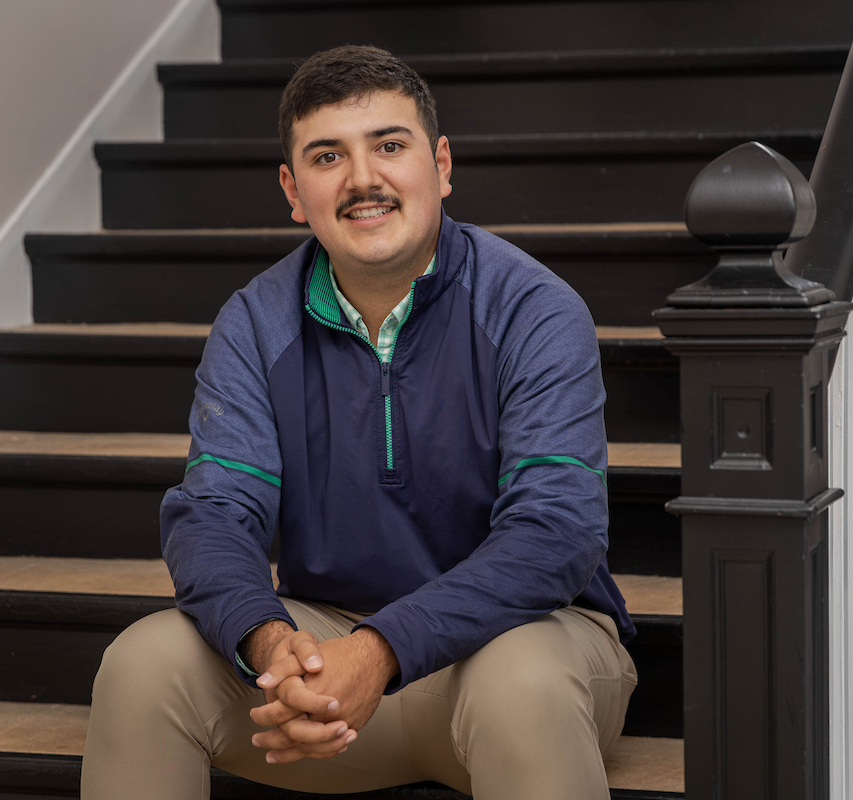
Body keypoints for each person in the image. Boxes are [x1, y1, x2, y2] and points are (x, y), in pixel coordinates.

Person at [80, 45, 637, 800]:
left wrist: (380, 649)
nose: (363, 179)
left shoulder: (533, 310)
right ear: (292, 188)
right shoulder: (253, 323)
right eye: (327, 156)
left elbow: (556, 532)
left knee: (523, 684)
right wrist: (277, 649)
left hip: (517, 649)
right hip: (326, 665)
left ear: (441, 165)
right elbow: (212, 514)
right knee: (143, 663)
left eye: (389, 145)